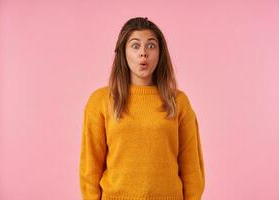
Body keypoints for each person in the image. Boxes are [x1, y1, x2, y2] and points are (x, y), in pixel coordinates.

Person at [79, 17, 205, 200]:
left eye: (151, 46)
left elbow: (192, 168)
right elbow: (90, 168)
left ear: (160, 53)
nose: (143, 53)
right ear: (123, 52)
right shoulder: (100, 101)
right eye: (135, 46)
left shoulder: (178, 101)